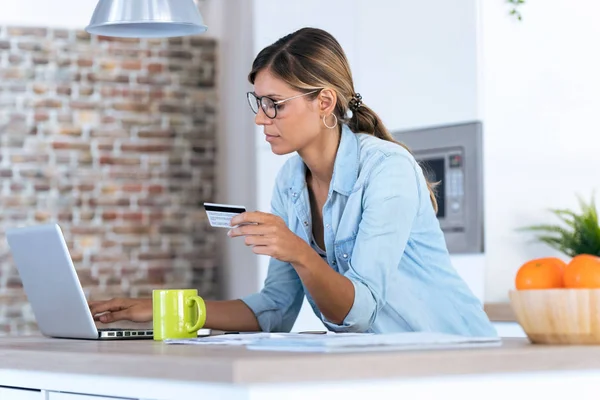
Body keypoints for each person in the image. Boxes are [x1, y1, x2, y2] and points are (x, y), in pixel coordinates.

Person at [89, 27, 497, 337]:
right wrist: (159, 311)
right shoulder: (291, 181)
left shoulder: (387, 170)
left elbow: (359, 313)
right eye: (258, 102)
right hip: (385, 366)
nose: (260, 118)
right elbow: (276, 309)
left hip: (455, 358)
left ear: (324, 102)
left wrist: (299, 251)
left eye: (274, 105)